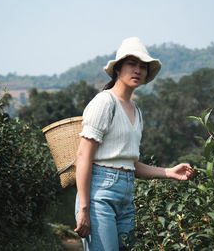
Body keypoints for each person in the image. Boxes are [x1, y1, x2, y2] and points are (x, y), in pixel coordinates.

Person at [74, 37, 194, 251]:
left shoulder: (136, 111)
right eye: (132, 64)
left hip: (126, 197)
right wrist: (83, 208)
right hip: (99, 195)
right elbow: (83, 156)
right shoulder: (104, 102)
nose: (138, 70)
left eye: (143, 66)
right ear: (118, 68)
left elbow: (129, 164)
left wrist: (169, 172)